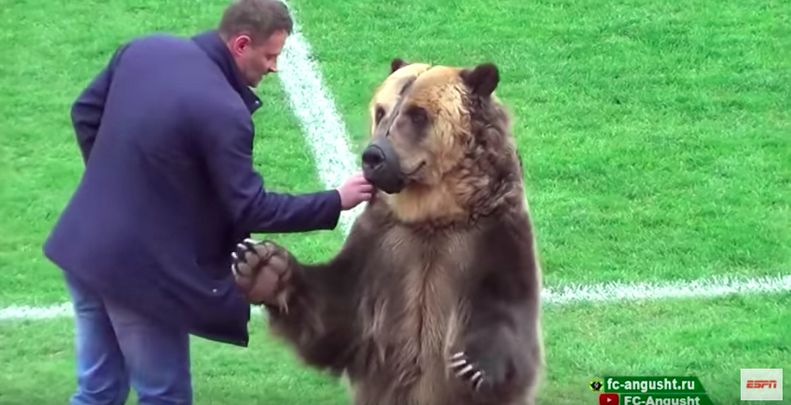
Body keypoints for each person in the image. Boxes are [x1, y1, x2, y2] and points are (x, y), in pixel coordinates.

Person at [42, 0, 373, 404]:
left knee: (98, 391)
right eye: (270, 55)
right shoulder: (224, 111)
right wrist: (335, 200)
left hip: (84, 247)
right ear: (241, 44)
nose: (274, 67)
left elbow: (85, 113)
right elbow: (250, 207)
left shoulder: (146, 49)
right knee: (164, 395)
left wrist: (121, 186)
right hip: (139, 276)